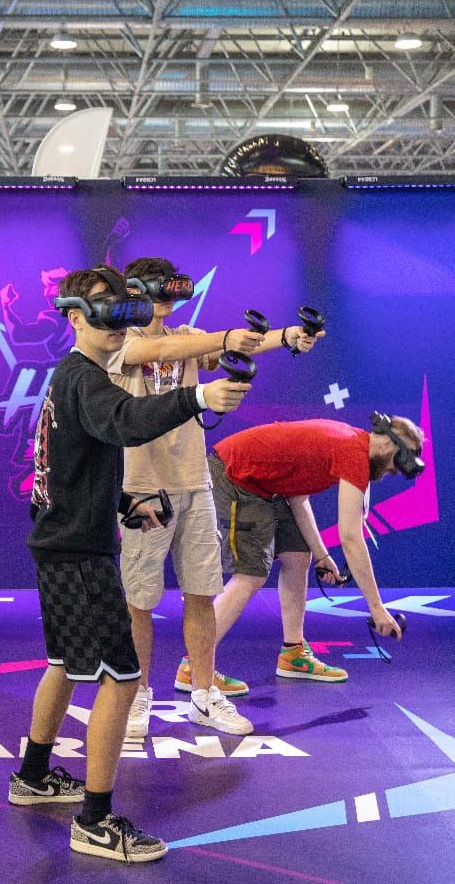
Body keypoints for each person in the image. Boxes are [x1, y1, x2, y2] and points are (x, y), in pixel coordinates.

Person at [9, 267, 250, 863]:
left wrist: (120, 503)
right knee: (120, 678)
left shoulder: (71, 378)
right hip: (81, 554)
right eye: (104, 312)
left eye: (123, 310)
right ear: (73, 317)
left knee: (64, 664)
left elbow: (66, 468)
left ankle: (33, 776)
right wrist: (198, 396)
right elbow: (125, 420)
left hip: (60, 544)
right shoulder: (86, 379)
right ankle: (94, 821)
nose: (118, 323)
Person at [109, 256, 322, 740]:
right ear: (134, 292)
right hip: (142, 488)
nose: (165, 299)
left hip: (195, 483)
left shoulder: (188, 337)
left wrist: (287, 336)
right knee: (139, 600)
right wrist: (223, 339)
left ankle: (204, 695)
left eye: (169, 289)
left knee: (202, 592)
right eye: (156, 289)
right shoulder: (124, 342)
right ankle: (138, 694)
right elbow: (165, 348)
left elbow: (232, 343)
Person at [209, 416, 417, 686]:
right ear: (388, 443)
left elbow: (298, 497)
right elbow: (351, 538)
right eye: (400, 461)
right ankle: (195, 666)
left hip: (263, 484)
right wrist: (376, 608)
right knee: (251, 574)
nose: (394, 471)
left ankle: (293, 654)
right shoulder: (354, 454)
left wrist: (321, 556)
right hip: (235, 475)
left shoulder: (352, 442)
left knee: (298, 556)